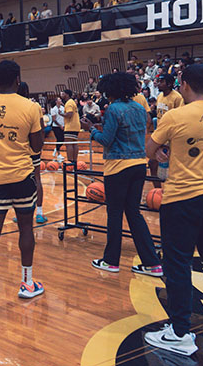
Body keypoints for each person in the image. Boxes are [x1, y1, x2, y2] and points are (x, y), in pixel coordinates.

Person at [144, 64, 203, 355]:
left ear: (185, 84)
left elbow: (149, 148)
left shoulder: (175, 115)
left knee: (178, 264)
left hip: (183, 198)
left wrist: (163, 152)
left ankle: (180, 332)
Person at [0, 60, 44, 309]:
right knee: (26, 229)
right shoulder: (30, 107)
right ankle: (27, 283)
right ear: (17, 79)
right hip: (22, 177)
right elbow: (37, 146)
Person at [80, 73, 161, 276]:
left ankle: (111, 261)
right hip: (138, 165)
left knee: (115, 214)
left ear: (111, 90)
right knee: (134, 214)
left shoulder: (114, 109)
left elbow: (106, 140)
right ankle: (152, 263)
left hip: (118, 167)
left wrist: (91, 129)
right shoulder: (139, 108)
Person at [17, 82, 47, 224]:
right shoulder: (34, 106)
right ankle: (39, 213)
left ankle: (20, 212)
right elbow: (41, 128)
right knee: (36, 180)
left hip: (18, 150)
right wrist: (39, 147)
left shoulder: (13, 106)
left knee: (20, 181)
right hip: (32, 149)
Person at [150, 73, 183, 187]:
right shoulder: (159, 96)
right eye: (158, 81)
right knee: (153, 163)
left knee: (173, 168)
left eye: (161, 81)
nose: (158, 83)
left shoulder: (177, 98)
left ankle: (173, 193)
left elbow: (180, 119)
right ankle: (157, 192)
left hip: (172, 138)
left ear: (169, 84)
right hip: (160, 135)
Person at [61, 89, 80, 166]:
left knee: (69, 144)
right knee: (74, 143)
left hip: (70, 126)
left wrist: (61, 114)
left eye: (63, 94)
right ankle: (74, 161)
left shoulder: (69, 103)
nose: (62, 95)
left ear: (67, 95)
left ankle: (70, 161)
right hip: (76, 125)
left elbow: (69, 114)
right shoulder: (72, 102)